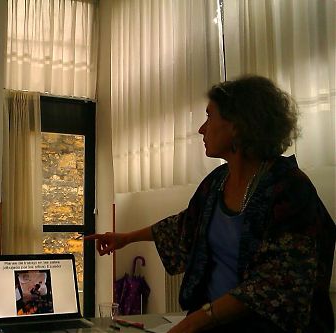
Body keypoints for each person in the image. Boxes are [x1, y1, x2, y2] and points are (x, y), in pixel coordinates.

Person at [86, 75, 335, 333]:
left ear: (238, 125)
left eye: (209, 117)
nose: (201, 129)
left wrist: (197, 320)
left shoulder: (289, 188)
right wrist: (126, 238)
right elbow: (186, 224)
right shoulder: (217, 182)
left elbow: (275, 284)